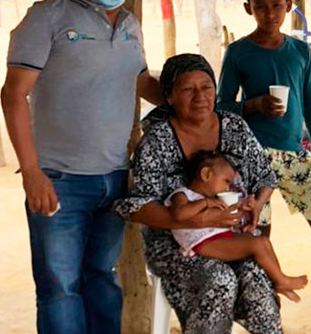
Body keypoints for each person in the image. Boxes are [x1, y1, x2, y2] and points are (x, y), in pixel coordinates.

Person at [0, 0, 162, 334]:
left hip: (114, 178)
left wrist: (194, 97)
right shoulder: (47, 17)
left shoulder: (129, 25)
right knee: (59, 286)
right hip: (59, 180)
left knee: (101, 277)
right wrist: (32, 172)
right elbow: (13, 95)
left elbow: (140, 82)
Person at [216, 0, 311, 331]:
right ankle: (269, 316)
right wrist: (254, 104)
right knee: (259, 238)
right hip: (252, 157)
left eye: (276, 5)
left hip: (296, 156)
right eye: (260, 7)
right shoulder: (238, 52)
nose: (269, 13)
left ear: (289, 6)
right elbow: (220, 107)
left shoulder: (299, 50)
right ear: (248, 8)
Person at [115, 54, 284, 333]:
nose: (200, 97)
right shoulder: (157, 141)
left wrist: (257, 205)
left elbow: (266, 176)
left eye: (206, 87)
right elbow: (136, 205)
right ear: (168, 96)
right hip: (175, 244)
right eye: (187, 89)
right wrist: (193, 221)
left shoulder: (233, 127)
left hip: (231, 236)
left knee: (257, 277)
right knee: (219, 280)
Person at [166, 150, 307, 302]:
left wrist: (243, 206)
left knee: (263, 241)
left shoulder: (213, 198)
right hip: (201, 243)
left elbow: (226, 216)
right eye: (226, 181)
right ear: (206, 174)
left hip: (216, 238)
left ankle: (278, 279)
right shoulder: (182, 194)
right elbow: (179, 215)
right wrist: (205, 203)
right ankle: (281, 280)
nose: (227, 188)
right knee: (257, 244)